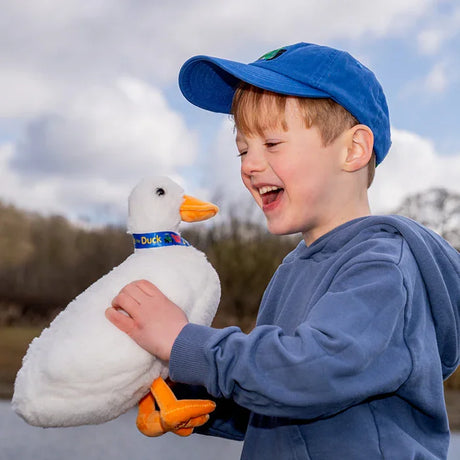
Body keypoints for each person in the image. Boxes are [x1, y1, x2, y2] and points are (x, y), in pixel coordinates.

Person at [105, 43, 460, 459]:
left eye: (271, 143)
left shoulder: (382, 266)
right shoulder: (294, 269)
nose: (249, 166)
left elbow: (312, 374)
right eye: (243, 149)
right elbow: (279, 397)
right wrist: (192, 395)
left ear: (353, 150)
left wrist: (186, 343)